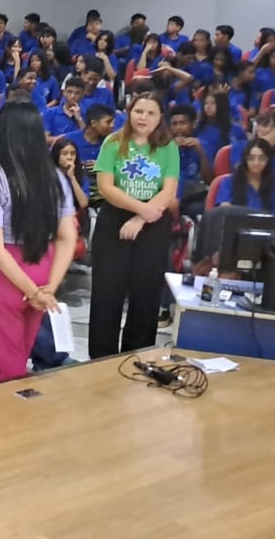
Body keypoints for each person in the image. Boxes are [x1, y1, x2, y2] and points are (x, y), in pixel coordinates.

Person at [0, 101, 78, 383]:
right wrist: (48, 289)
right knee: (19, 359)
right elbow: (68, 237)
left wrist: (32, 291)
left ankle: (6, 424)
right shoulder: (55, 177)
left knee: (7, 371)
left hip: (4, 277)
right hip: (43, 267)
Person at [88, 94, 179, 358]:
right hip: (115, 219)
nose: (143, 117)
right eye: (138, 111)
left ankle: (137, 356)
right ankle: (101, 358)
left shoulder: (168, 147)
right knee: (107, 293)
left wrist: (142, 218)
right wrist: (140, 210)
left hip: (152, 223)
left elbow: (169, 190)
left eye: (150, 113)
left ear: (160, 117)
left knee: (146, 293)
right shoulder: (113, 142)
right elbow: (105, 187)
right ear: (129, 113)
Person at [214, 137, 275, 215]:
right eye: (251, 158)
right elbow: (225, 211)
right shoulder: (228, 182)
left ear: (268, 160)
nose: (256, 163)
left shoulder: (274, 185)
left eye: (262, 158)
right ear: (245, 159)